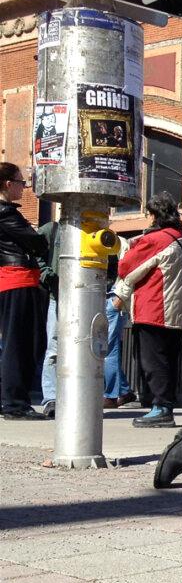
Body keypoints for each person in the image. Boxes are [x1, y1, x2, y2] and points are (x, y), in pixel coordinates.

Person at [114, 193, 182, 428]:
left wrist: (128, 247)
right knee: (168, 359)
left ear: (154, 215)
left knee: (153, 361)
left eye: (148, 214)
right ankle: (163, 406)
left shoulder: (157, 239)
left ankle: (161, 409)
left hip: (155, 308)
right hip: (175, 311)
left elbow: (125, 267)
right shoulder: (180, 237)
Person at [0, 163, 49, 420]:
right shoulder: (5, 213)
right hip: (17, 280)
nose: (24, 187)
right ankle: (15, 404)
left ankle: (11, 400)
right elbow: (37, 241)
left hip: (13, 281)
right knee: (20, 344)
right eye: (21, 182)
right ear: (8, 183)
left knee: (16, 343)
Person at [103, 237, 136, 409]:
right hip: (100, 296)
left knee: (108, 348)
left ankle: (111, 395)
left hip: (111, 298)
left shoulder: (118, 242)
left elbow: (129, 270)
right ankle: (123, 391)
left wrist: (120, 297)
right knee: (104, 347)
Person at [36, 218, 59, 419]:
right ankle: (51, 398)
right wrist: (46, 274)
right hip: (57, 298)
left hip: (87, 299)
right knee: (53, 349)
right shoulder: (52, 229)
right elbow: (34, 251)